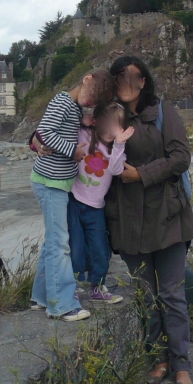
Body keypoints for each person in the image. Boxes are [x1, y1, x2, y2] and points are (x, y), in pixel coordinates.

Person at [106, 55, 193, 384]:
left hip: (167, 217)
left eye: (130, 76)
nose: (124, 82)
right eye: (118, 77)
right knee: (146, 296)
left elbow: (181, 157)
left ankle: (181, 364)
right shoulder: (108, 117)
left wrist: (140, 174)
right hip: (128, 223)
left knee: (172, 294)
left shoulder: (163, 112)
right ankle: (158, 359)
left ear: (143, 81)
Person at [29, 69, 115, 321]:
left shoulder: (73, 108)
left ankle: (41, 296)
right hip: (50, 182)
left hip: (57, 182)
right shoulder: (63, 101)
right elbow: (45, 132)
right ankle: (62, 305)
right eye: (90, 97)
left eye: (94, 102)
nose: (90, 103)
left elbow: (58, 128)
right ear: (85, 78)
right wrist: (72, 151)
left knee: (52, 243)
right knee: (59, 245)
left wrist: (83, 122)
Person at [68, 103, 133, 303]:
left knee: (99, 248)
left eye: (116, 124)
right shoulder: (85, 136)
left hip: (96, 206)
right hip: (75, 199)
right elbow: (64, 128)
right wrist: (81, 120)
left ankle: (97, 286)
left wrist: (120, 143)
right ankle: (74, 288)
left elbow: (115, 170)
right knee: (75, 248)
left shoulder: (117, 150)